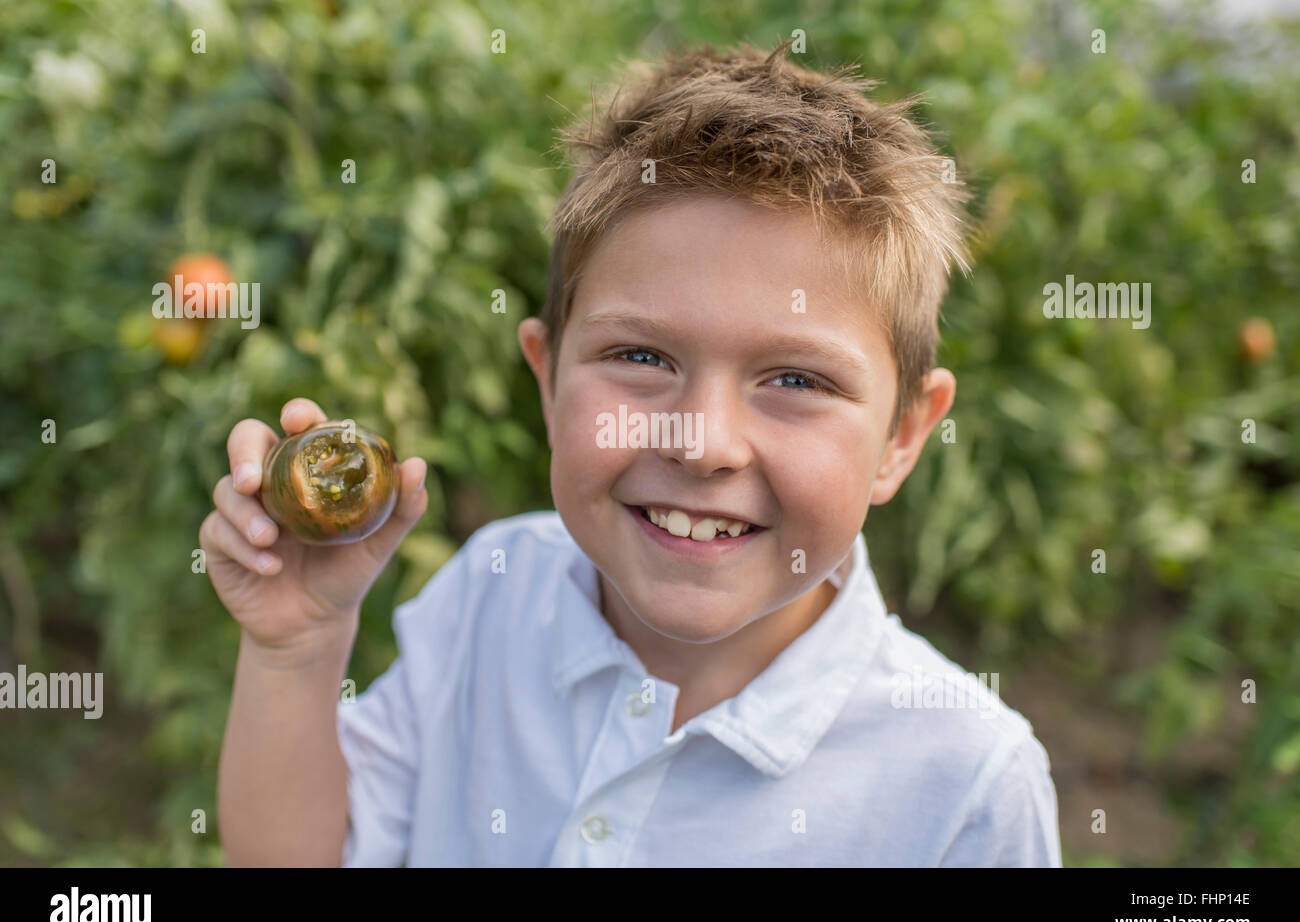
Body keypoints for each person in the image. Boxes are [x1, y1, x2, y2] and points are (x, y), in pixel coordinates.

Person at [206, 38, 1061, 866]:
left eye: (796, 379)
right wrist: (299, 646)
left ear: (902, 436)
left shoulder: (963, 785)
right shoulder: (491, 594)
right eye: (642, 359)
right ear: (547, 383)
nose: (703, 443)